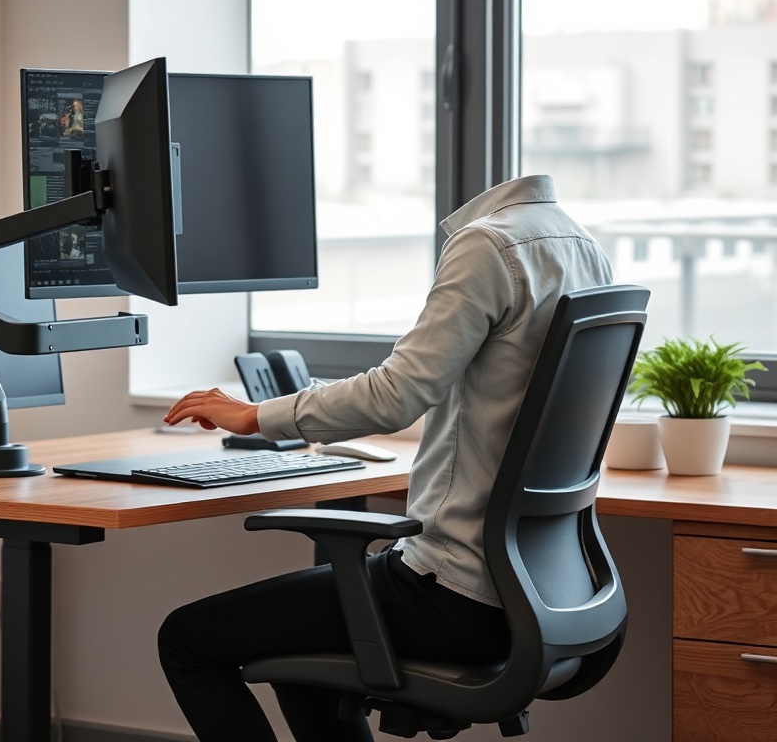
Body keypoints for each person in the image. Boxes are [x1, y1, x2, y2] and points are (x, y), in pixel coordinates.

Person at [158, 174, 613, 741]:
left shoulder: (487, 246)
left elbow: (397, 395)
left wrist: (253, 416)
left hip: (454, 593)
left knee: (185, 639)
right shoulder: (582, 247)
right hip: (541, 590)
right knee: (304, 659)